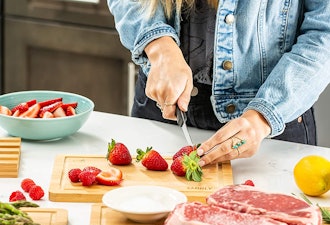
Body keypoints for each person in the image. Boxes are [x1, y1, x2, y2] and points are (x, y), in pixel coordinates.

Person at [107, 0, 330, 166]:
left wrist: (263, 117)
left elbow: (324, 33)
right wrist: (159, 47)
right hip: (163, 109)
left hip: (270, 124)